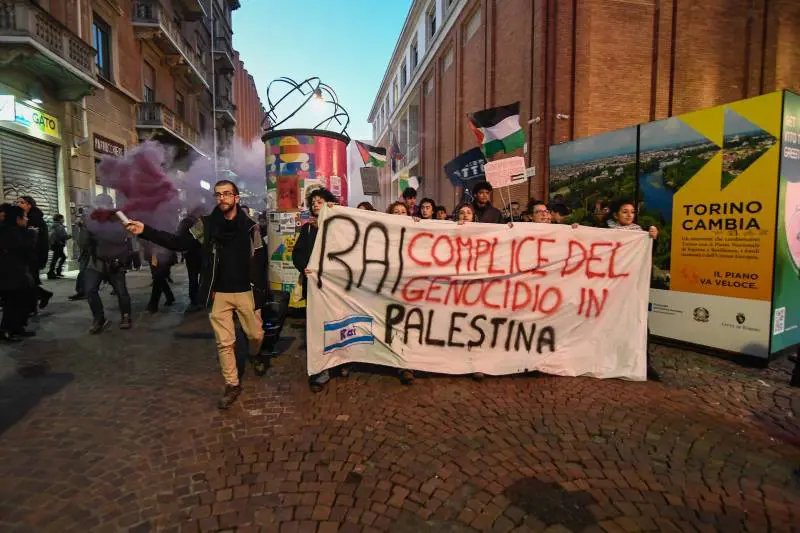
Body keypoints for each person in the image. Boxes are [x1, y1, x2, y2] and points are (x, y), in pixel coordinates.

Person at [126, 180, 270, 409]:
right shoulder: (205, 225)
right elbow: (178, 242)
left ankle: (255, 354)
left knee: (256, 335)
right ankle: (232, 384)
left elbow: (261, 261)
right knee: (225, 342)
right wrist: (146, 231)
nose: (222, 198)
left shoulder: (251, 227)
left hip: (246, 291)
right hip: (218, 293)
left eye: (227, 194)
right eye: (218, 194)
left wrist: (261, 293)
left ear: (236, 198)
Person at [292, 187, 346, 392]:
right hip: (314, 286)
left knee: (338, 324)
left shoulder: (338, 226)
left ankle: (341, 362)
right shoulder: (307, 230)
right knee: (316, 327)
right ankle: (321, 369)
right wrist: (304, 268)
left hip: (336, 287)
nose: (316, 204)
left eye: (320, 201)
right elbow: (297, 255)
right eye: (313, 202)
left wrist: (337, 211)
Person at [605, 198, 660, 381]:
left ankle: (644, 362)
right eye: (624, 211)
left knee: (640, 324)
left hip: (633, 288)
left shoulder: (640, 234)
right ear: (615, 214)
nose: (629, 215)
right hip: (612, 289)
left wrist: (653, 239)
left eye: (632, 212)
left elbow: (650, 255)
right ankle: (610, 360)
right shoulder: (604, 232)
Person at [83, 195, 134, 333]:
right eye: (98, 204)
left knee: (121, 291)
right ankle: (99, 318)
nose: (101, 207)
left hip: (115, 261)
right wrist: (85, 230)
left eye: (103, 204)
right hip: (97, 261)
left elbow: (128, 234)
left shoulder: (120, 216)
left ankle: (126, 316)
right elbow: (82, 243)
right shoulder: (92, 218)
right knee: (90, 290)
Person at [0, 205, 36, 341]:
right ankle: (6, 330)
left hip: (15, 272)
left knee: (19, 301)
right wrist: (31, 235)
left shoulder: (15, 230)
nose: (26, 219)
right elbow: (21, 249)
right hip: (9, 273)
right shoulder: (10, 232)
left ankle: (16, 328)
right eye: (24, 217)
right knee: (12, 303)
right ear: (18, 219)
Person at [17, 196, 53, 309]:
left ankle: (41, 297)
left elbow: (39, 241)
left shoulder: (34, 219)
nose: (19, 204)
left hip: (34, 255)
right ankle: (34, 303)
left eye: (22, 202)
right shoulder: (27, 218)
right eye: (18, 202)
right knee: (30, 280)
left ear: (29, 205)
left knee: (29, 281)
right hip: (29, 255)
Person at [178, 206, 205, 312]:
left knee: (199, 277)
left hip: (199, 253)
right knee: (194, 277)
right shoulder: (187, 221)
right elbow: (180, 236)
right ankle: (195, 299)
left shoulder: (197, 220)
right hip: (193, 254)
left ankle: (198, 298)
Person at [143, 242, 176, 313]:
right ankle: (169, 297)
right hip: (154, 254)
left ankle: (153, 304)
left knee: (158, 277)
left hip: (162, 253)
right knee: (158, 277)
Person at [46, 213, 70, 279]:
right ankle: (52, 272)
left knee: (59, 258)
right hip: (59, 244)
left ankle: (55, 272)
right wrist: (69, 236)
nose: (63, 220)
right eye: (62, 218)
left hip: (54, 244)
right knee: (57, 258)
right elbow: (63, 236)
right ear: (59, 219)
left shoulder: (53, 225)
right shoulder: (59, 226)